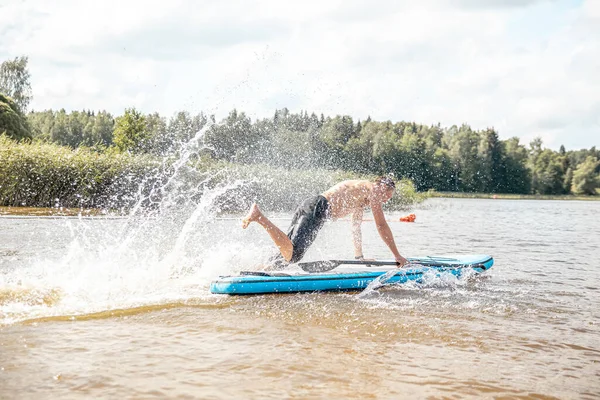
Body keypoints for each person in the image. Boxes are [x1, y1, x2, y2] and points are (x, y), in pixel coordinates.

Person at [241, 176, 409, 269]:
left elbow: (355, 227)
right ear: (382, 188)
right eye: (387, 196)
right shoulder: (373, 190)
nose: (385, 201)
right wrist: (397, 255)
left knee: (284, 258)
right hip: (317, 208)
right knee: (293, 255)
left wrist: (359, 257)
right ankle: (259, 217)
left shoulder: (362, 197)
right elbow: (381, 225)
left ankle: (258, 269)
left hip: (314, 208)